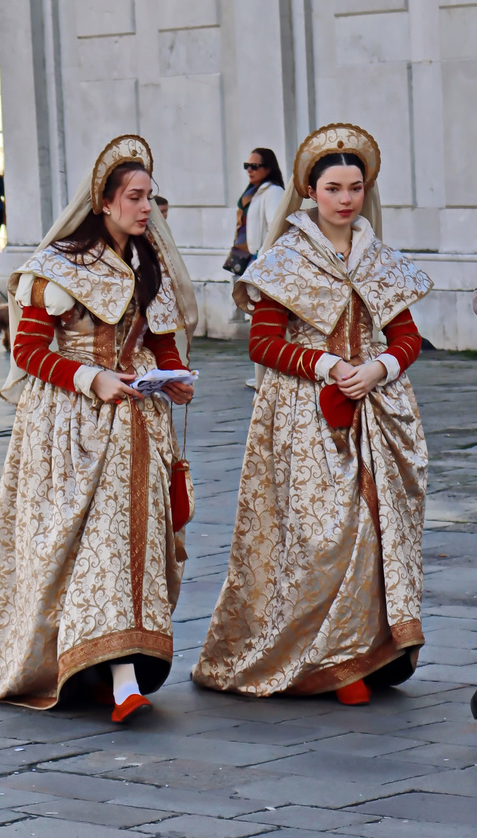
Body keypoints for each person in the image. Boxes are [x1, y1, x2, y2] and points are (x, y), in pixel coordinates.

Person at [0, 135, 198, 723]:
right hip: (71, 423)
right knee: (91, 543)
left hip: (139, 422)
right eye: (135, 197)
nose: (145, 208)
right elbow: (30, 351)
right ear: (105, 202)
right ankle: (116, 678)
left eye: (149, 197)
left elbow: (159, 341)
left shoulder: (147, 262)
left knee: (129, 543)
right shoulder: (58, 265)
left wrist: (173, 377)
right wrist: (92, 379)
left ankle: (121, 672)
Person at [193, 124, 432, 706]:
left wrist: (378, 370)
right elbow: (263, 343)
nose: (345, 199)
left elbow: (406, 335)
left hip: (377, 410)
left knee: (377, 531)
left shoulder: (379, 256)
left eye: (354, 187)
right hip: (306, 413)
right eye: (333, 188)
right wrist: (327, 365)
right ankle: (327, 660)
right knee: (325, 536)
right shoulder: (284, 260)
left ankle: (368, 650)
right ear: (309, 190)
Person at [223, 148, 285, 276]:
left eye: (254, 166)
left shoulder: (273, 192)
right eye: (247, 166)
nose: (249, 170)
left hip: (260, 260)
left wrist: (260, 257)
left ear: (268, 169)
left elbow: (276, 229)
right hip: (245, 257)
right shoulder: (252, 193)